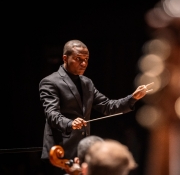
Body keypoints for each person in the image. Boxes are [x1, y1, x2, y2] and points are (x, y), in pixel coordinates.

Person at [39, 39, 152, 174]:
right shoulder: (50, 82)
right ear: (65, 58)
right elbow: (51, 113)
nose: (84, 63)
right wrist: (70, 123)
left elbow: (107, 106)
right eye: (78, 59)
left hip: (81, 153)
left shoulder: (87, 83)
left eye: (86, 59)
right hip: (60, 152)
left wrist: (133, 98)